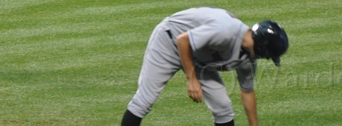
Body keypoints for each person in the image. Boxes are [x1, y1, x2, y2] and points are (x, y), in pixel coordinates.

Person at [120, 8, 288, 126]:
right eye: (268, 55)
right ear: (261, 47)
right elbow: (183, 40)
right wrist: (191, 79)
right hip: (169, 41)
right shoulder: (225, 31)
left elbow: (247, 92)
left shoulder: (248, 61)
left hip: (198, 57)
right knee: (145, 100)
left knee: (223, 106)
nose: (266, 58)